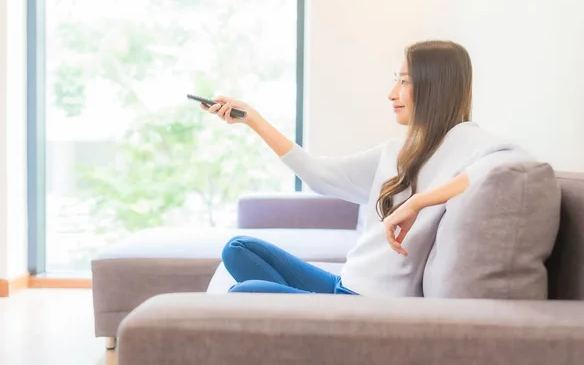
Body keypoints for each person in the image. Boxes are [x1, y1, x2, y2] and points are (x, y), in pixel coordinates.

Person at [201, 40, 519, 297]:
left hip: (368, 306)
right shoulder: (396, 151)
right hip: (345, 285)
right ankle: (307, 311)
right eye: (396, 81)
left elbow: (512, 167)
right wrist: (253, 119)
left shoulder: (465, 142)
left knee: (245, 293)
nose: (392, 93)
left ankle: (307, 315)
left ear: (435, 86)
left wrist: (418, 202)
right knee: (238, 249)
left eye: (404, 82)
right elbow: (320, 176)